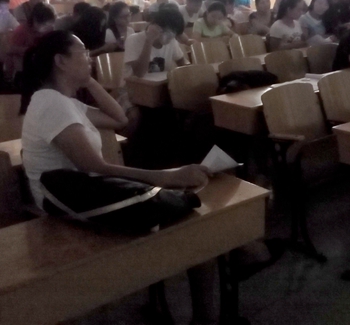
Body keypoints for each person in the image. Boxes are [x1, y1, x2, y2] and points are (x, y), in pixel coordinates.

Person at [19, 31, 214, 322]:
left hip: (86, 193)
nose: (90, 57)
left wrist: (88, 80)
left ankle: (203, 315)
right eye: (83, 52)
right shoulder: (51, 104)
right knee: (196, 225)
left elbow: (119, 119)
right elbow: (94, 166)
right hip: (67, 203)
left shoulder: (64, 102)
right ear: (60, 61)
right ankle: (206, 317)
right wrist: (164, 176)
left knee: (193, 220)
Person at [124, 6, 187, 77]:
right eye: (166, 31)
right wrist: (149, 41)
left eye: (172, 34)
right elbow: (139, 73)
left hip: (162, 83)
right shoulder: (133, 39)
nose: (169, 38)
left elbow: (180, 60)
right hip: (137, 83)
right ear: (155, 25)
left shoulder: (172, 41)